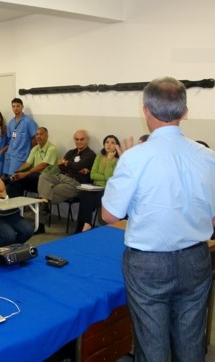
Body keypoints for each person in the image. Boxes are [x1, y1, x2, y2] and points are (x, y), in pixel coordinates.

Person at [101, 77, 215, 362]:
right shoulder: (208, 157)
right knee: (190, 339)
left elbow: (109, 215)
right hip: (197, 258)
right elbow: (212, 220)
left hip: (148, 263)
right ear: (185, 111)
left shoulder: (134, 158)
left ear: (145, 110)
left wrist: (124, 170)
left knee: (152, 344)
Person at [38, 129, 96, 226]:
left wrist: (67, 163)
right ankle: (44, 204)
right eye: (77, 139)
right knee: (43, 176)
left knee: (47, 192)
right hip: (61, 176)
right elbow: (60, 166)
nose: (79, 142)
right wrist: (74, 167)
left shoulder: (90, 155)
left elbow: (74, 166)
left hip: (75, 183)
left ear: (87, 140)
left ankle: (40, 223)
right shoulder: (71, 152)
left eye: (82, 139)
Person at [74, 134, 120, 233]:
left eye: (112, 143)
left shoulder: (118, 161)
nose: (109, 145)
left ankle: (85, 225)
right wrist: (104, 177)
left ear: (117, 146)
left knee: (91, 197)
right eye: (107, 142)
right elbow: (93, 175)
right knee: (85, 194)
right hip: (95, 186)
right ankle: (84, 224)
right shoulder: (99, 157)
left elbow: (109, 178)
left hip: (107, 189)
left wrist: (108, 161)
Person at [6, 127, 58, 198]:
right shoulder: (35, 148)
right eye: (37, 134)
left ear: (47, 136)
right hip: (36, 177)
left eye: (41, 134)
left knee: (22, 178)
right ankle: (13, 206)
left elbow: (43, 165)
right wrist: (18, 172)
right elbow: (27, 164)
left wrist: (25, 174)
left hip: (47, 179)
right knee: (16, 180)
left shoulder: (52, 149)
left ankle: (14, 206)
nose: (38, 136)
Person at [3, 98, 38, 176]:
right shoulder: (11, 122)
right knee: (6, 178)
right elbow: (10, 139)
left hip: (21, 156)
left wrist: (31, 155)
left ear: (22, 107)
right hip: (10, 155)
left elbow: (35, 139)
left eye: (18, 106)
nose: (16, 108)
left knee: (15, 178)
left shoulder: (28, 122)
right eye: (13, 106)